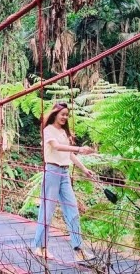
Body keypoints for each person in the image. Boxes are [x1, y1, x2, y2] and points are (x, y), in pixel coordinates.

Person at [32, 102, 96, 263]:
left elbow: (69, 154)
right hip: (52, 172)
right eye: (63, 114)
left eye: (67, 115)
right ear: (55, 114)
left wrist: (84, 169)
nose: (65, 117)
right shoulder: (48, 130)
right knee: (47, 210)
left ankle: (79, 250)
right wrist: (79, 149)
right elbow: (56, 147)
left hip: (65, 173)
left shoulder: (63, 132)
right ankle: (40, 247)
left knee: (73, 210)